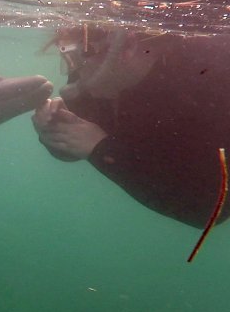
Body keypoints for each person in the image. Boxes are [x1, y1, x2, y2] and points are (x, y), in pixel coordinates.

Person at [32, 25, 230, 228]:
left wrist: (101, 149)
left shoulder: (216, 74)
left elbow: (210, 209)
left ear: (126, 45)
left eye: (75, 57)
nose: (75, 73)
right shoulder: (99, 67)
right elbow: (77, 142)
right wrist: (54, 128)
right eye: (67, 56)